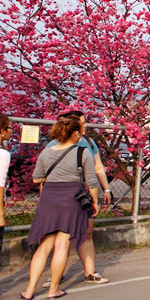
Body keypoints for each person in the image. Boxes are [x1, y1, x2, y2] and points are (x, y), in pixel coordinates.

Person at [21, 115, 99, 300]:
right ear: (75, 134)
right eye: (79, 131)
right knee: (62, 244)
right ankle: (53, 289)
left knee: (45, 245)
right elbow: (92, 181)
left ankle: (30, 290)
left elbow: (36, 178)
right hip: (72, 198)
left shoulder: (46, 152)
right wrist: (94, 202)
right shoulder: (82, 153)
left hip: (49, 198)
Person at [43, 111, 111, 287]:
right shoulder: (53, 144)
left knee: (86, 233)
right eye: (82, 122)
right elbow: (44, 175)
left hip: (85, 196)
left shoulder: (89, 143)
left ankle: (90, 272)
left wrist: (107, 188)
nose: (85, 125)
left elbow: (98, 167)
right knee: (61, 236)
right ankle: (56, 275)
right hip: (63, 197)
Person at [0, 115, 12, 252]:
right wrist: (1, 214)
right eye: (9, 128)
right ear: (2, 130)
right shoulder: (3, 154)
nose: (11, 131)